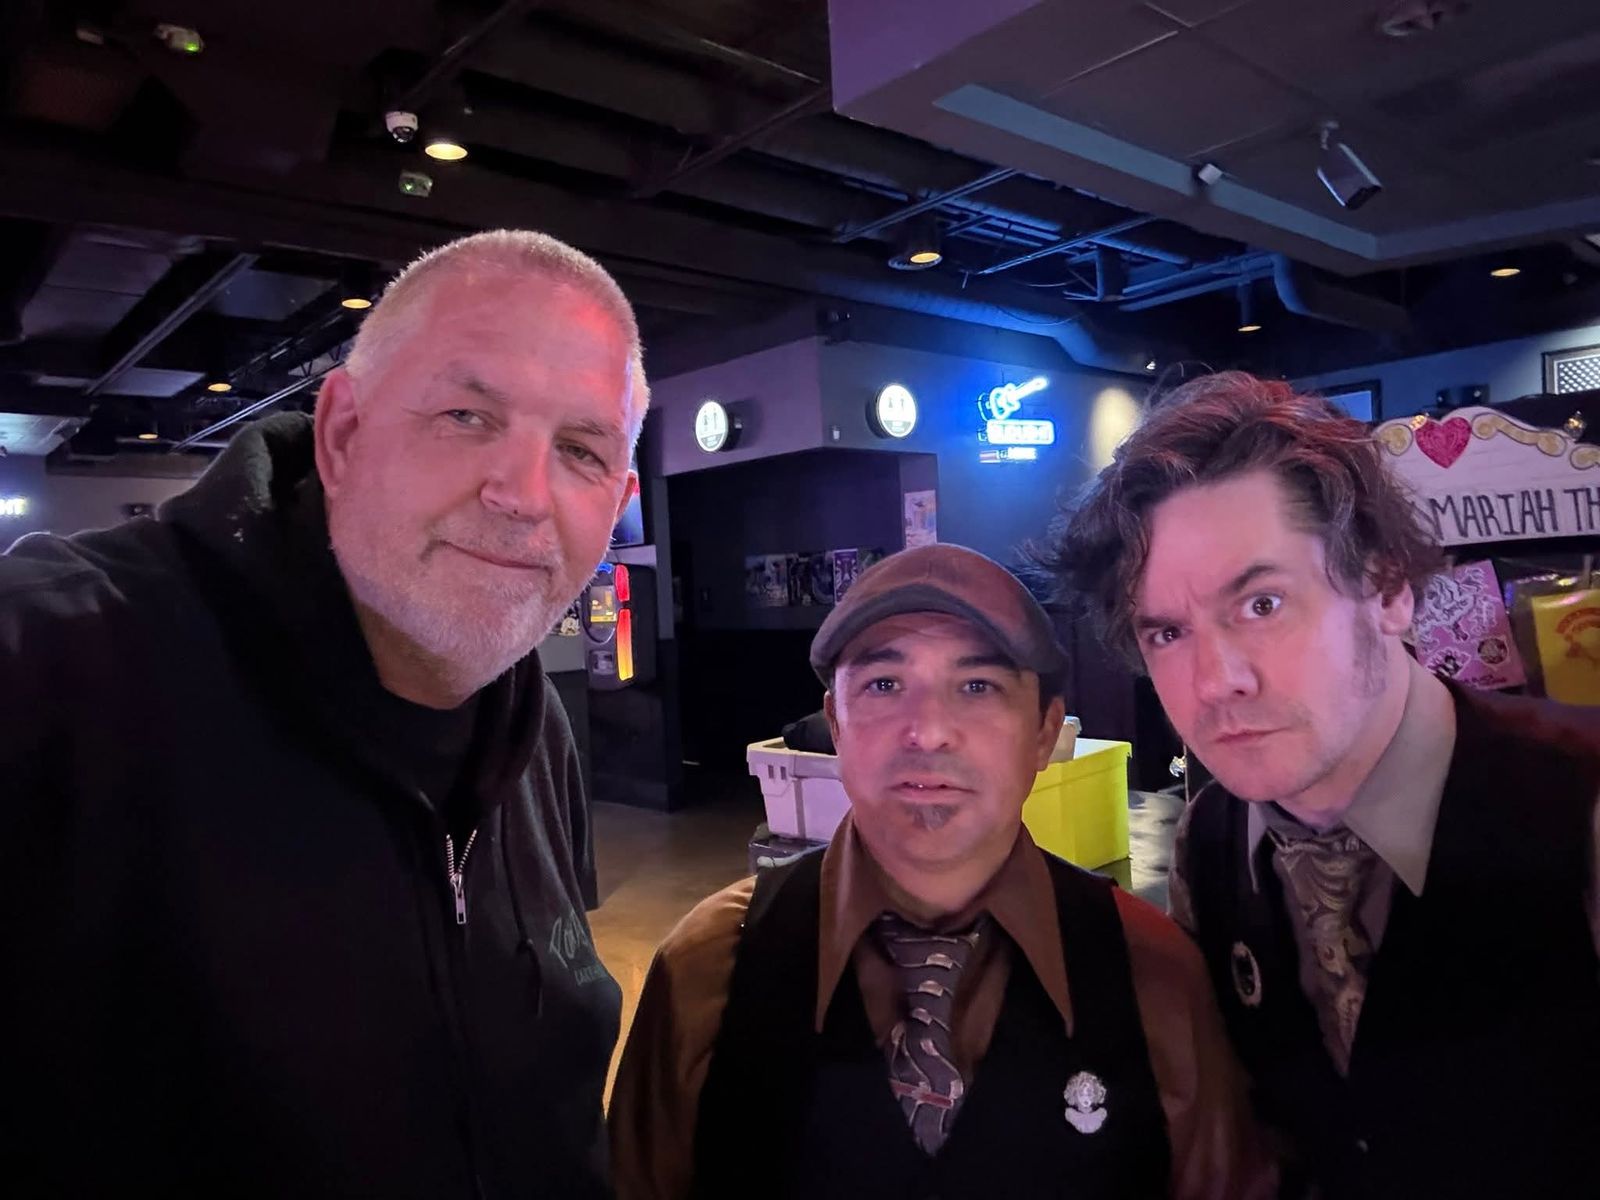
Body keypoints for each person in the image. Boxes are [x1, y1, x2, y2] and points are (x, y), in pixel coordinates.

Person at [0, 229, 646, 1198]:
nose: (522, 495)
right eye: (466, 415)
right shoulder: (55, 662)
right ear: (342, 433)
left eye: (581, 451)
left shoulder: (530, 723)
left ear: (618, 500)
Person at [1042, 371, 1600, 1199]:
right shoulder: (1212, 843)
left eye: (1262, 604)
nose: (1216, 680)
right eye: (1168, 632)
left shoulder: (1579, 807)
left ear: (1388, 588)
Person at [608, 543, 1272, 1200]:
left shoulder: (1152, 971)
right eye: (884, 685)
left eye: (977, 686)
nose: (927, 731)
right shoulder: (708, 969)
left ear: (1046, 733)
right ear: (835, 722)